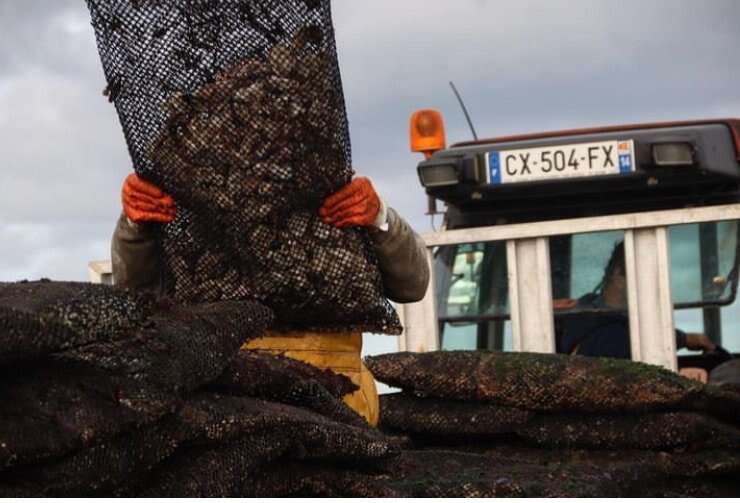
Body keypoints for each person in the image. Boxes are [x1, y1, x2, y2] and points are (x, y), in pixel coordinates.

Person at [112, 173, 430, 426]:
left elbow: (413, 284)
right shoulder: (182, 203)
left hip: (340, 403)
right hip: (224, 400)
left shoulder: (338, 194)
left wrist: (379, 217)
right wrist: (134, 225)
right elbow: (134, 292)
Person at [559, 241, 716, 359]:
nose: (652, 284)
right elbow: (633, 336)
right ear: (619, 275)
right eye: (645, 275)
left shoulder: (596, 315)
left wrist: (684, 339)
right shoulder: (608, 335)